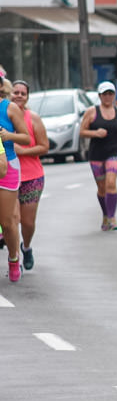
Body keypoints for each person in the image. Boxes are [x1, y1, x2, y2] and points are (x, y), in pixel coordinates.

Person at [80, 82, 117, 232]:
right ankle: (105, 215)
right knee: (101, 187)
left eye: (110, 94)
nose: (108, 97)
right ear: (99, 96)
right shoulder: (91, 111)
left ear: (114, 95)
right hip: (97, 153)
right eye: (105, 94)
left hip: (115, 151)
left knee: (111, 182)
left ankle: (112, 217)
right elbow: (82, 131)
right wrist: (95, 133)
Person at [11, 81, 48, 271]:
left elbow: (44, 146)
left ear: (27, 97)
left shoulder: (33, 118)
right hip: (8, 176)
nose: (18, 95)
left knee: (27, 222)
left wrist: (22, 151)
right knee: (13, 219)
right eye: (15, 92)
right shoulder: (4, 118)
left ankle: (26, 247)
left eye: (22, 93)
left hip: (32, 176)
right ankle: (14, 259)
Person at [0, 78, 30, 281]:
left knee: (7, 222)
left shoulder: (9, 108)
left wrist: (9, 135)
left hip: (7, 165)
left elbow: (26, 138)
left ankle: (13, 258)